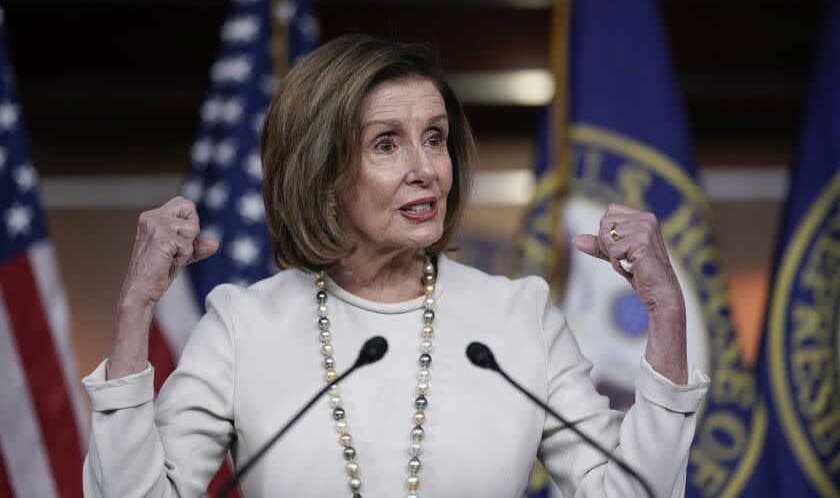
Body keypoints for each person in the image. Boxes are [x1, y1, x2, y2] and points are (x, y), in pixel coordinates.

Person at [82, 34, 709, 497]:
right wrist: (134, 310)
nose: (426, 168)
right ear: (322, 173)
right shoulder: (243, 325)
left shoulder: (518, 318)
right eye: (387, 143)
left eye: (434, 137)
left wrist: (666, 313)